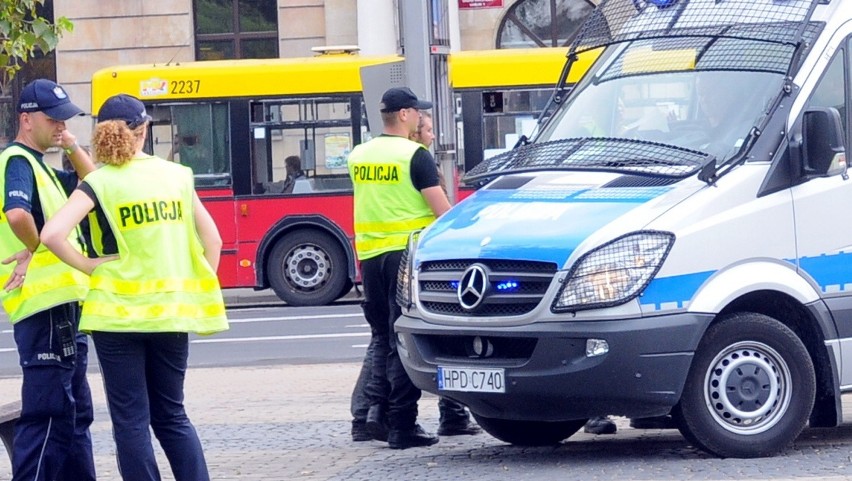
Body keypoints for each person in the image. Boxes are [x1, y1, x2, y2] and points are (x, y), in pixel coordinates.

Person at [40, 93, 229, 481]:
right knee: (173, 415)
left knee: (131, 421)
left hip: (116, 319)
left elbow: (53, 234)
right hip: (171, 316)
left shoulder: (99, 182)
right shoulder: (176, 176)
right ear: (144, 131)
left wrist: (90, 266)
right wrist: (193, 288)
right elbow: (214, 241)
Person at [0, 78, 97, 481]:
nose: (61, 125)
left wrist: (73, 146)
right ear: (26, 120)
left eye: (66, 118)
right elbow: (17, 215)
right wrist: (39, 247)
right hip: (45, 308)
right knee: (50, 417)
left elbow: (97, 187)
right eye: (53, 118)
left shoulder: (44, 166)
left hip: (63, 306)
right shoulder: (18, 161)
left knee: (74, 416)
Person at [347, 87, 450, 449]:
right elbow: (443, 214)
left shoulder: (358, 155)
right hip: (405, 257)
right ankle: (402, 426)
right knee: (403, 338)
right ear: (404, 114)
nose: (421, 118)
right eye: (417, 112)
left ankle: (376, 412)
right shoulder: (415, 156)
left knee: (382, 336)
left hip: (369, 256)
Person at [409, 111, 481, 437]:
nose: (433, 135)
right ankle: (452, 415)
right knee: (452, 336)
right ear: (415, 132)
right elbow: (443, 214)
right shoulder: (420, 160)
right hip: (434, 258)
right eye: (428, 129)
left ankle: (368, 413)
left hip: (418, 260)